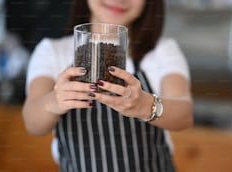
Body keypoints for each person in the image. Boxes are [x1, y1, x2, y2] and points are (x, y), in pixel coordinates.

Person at [22, 0, 193, 171]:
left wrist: (144, 106)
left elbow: (184, 116)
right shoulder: (52, 51)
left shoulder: (162, 51)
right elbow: (32, 123)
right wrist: (54, 102)